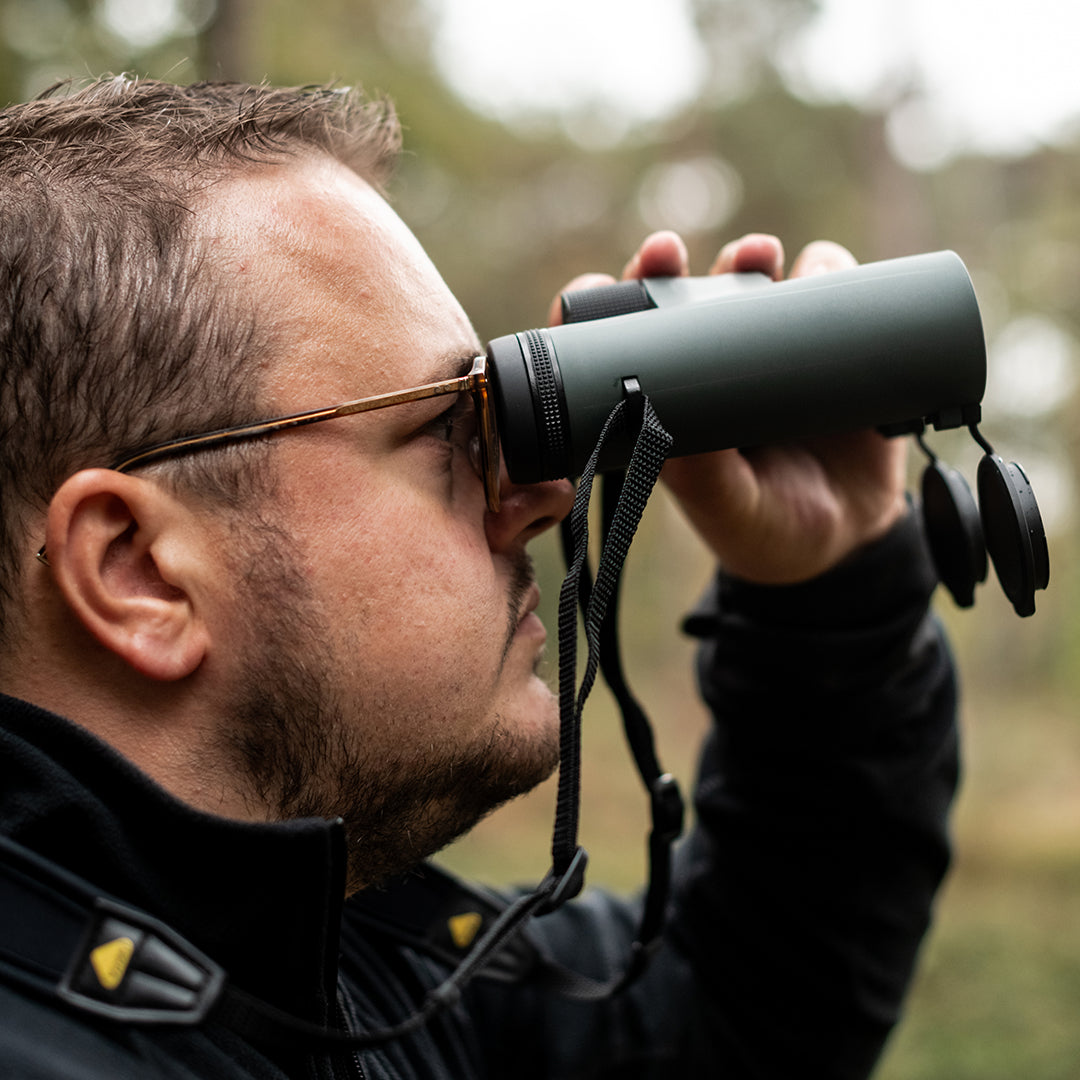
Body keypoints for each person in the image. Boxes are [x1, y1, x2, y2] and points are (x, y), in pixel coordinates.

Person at [0, 77, 957, 1079]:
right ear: (140, 571)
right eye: (447, 428)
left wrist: (828, 594)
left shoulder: (343, 976)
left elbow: (735, 1016)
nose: (539, 499)